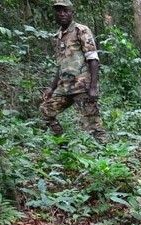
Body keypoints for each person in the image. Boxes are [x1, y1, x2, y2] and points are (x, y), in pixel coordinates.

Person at [40, 0, 107, 142]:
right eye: (59, 11)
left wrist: (93, 87)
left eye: (65, 10)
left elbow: (93, 58)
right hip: (64, 87)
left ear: (72, 13)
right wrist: (51, 88)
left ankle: (105, 156)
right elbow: (60, 65)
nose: (62, 14)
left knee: (93, 124)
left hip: (82, 86)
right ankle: (62, 143)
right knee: (46, 110)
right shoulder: (57, 36)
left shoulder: (81, 30)